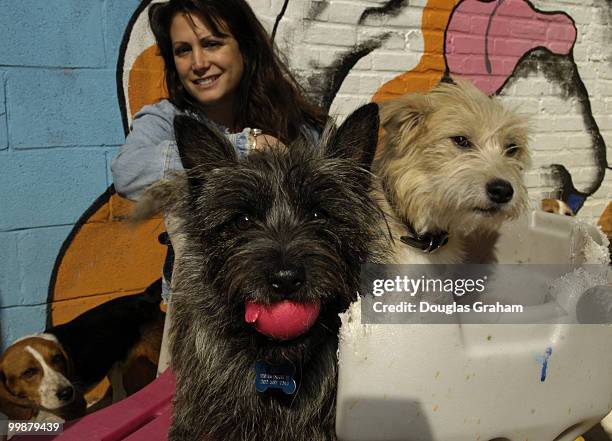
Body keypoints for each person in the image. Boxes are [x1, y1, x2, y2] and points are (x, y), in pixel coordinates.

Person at [111, 0, 326, 201]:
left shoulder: (298, 123)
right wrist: (246, 146)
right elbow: (127, 173)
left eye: (211, 44)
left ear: (245, 48)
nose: (198, 63)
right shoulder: (166, 118)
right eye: (183, 50)